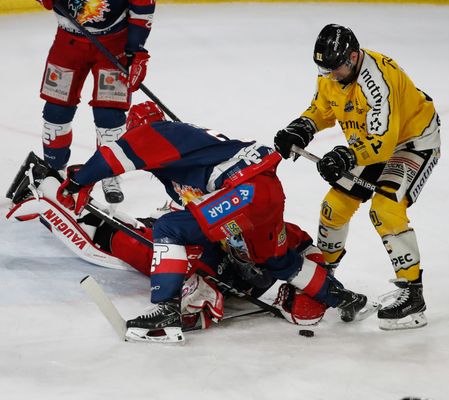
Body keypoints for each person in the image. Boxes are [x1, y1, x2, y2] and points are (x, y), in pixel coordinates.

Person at [54, 101, 378, 343]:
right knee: (278, 261)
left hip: (244, 190)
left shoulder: (156, 131)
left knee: (169, 229)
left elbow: (116, 154)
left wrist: (77, 182)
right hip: (263, 192)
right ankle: (346, 299)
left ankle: (166, 312)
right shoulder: (182, 152)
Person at [5, 156, 331, 332]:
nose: (282, 297)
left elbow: (209, 302)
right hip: (202, 232)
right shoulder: (280, 244)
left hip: (197, 256)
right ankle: (57, 193)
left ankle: (53, 203)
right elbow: (301, 241)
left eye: (284, 301)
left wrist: (195, 300)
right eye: (289, 296)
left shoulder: (256, 285)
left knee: (126, 241)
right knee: (139, 235)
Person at [274, 24, 441, 330]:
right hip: (368, 144)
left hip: (412, 142)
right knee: (333, 209)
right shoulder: (331, 72)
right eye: (325, 70)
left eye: (335, 68)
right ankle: (324, 281)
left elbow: (384, 142)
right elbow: (322, 109)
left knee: (386, 209)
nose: (330, 75)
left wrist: (347, 156)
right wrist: (301, 128)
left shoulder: (378, 79)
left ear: (353, 57)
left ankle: (413, 296)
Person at [35, 0, 155, 204]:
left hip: (115, 44)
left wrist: (136, 51)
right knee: (56, 111)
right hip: (68, 44)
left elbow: (142, 7)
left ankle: (108, 172)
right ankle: (53, 172)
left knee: (109, 115)